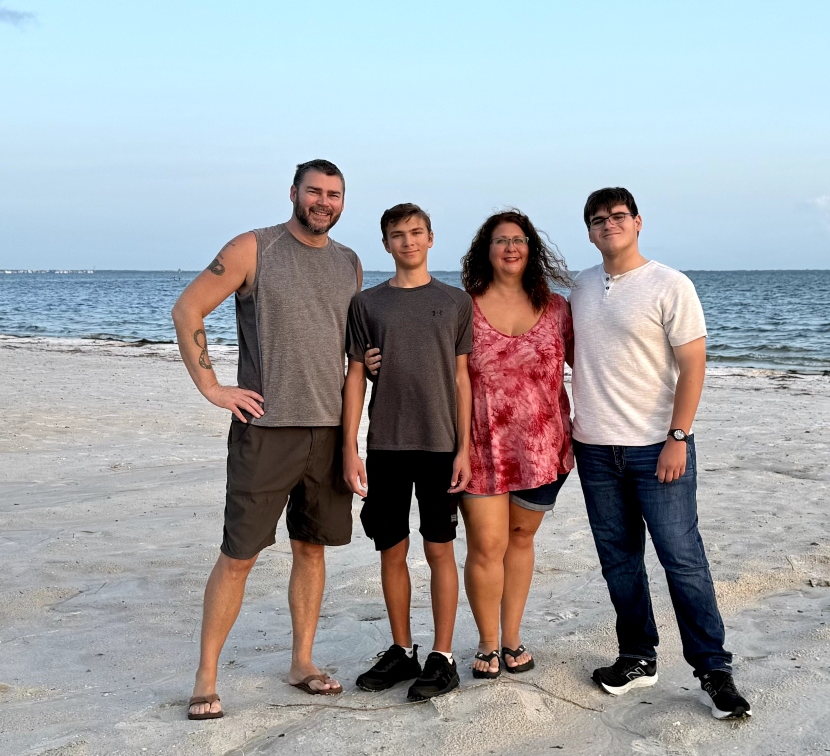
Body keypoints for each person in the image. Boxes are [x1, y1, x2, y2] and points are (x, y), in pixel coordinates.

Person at [171, 159, 362, 720]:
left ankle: (301, 661)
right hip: (266, 428)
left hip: (327, 430)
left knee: (312, 546)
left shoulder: (349, 263)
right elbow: (188, 309)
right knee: (239, 555)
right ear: (294, 193)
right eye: (314, 192)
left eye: (334, 194)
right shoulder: (253, 248)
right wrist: (212, 386)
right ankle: (206, 676)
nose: (323, 202)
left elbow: (344, 344)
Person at [569, 187, 751, 718]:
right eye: (598, 219)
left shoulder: (670, 284)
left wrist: (678, 437)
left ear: (638, 222)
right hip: (596, 449)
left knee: (682, 559)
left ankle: (714, 671)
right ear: (589, 230)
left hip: (657, 447)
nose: (609, 225)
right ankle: (637, 656)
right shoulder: (580, 285)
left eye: (618, 217)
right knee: (619, 561)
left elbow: (693, 366)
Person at [342, 203, 472, 701]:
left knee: (439, 548)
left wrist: (464, 448)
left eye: (416, 233)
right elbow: (355, 375)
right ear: (386, 244)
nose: (408, 241)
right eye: (398, 235)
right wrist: (351, 447)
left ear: (432, 239)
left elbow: (462, 379)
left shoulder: (455, 302)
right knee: (390, 548)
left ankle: (442, 656)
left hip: (440, 444)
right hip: (386, 444)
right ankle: (401, 649)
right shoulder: (367, 304)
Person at [458, 210, 575, 679]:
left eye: (520, 239)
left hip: (544, 449)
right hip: (479, 447)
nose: (511, 247)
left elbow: (596, 361)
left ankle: (512, 638)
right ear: (485, 251)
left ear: (532, 249)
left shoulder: (558, 308)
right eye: (501, 240)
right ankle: (487, 643)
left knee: (521, 539)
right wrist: (373, 358)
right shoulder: (461, 307)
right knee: (486, 545)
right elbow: (431, 364)